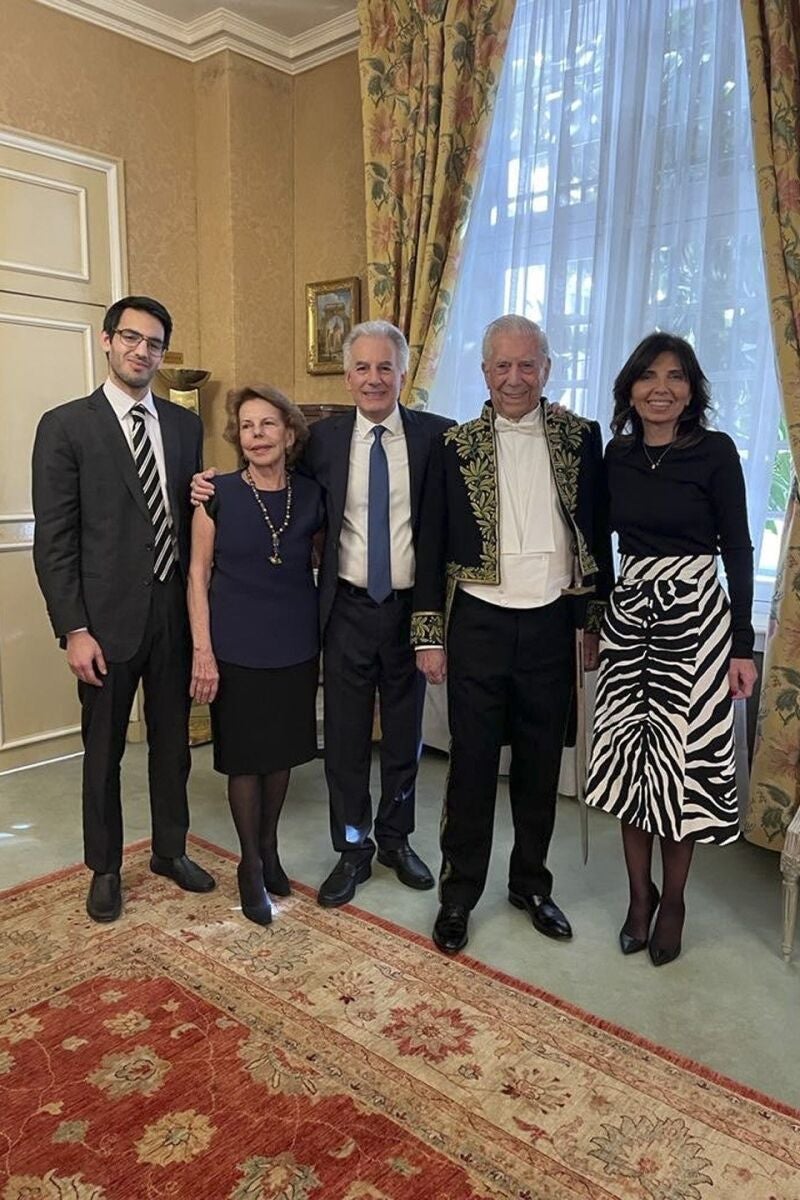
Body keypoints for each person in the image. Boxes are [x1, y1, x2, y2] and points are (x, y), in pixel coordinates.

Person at [192, 321, 453, 908]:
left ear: (403, 374)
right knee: (344, 737)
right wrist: (206, 486)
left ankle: (396, 839)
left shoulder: (439, 437)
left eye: (385, 367)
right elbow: (265, 479)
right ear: (347, 375)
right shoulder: (325, 442)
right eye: (361, 367)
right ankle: (353, 848)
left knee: (405, 737)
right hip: (344, 610)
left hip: (412, 610)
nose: (373, 378)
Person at [413, 314, 612, 956]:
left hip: (553, 621)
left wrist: (590, 619)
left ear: (547, 369)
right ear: (485, 371)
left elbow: (596, 532)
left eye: (528, 365)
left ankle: (530, 883)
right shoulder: (455, 445)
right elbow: (432, 542)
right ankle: (459, 892)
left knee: (537, 765)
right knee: (470, 765)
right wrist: (428, 634)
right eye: (503, 365)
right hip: (478, 621)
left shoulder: (582, 438)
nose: (515, 378)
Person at [32, 295, 216, 924]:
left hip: (171, 612)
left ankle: (170, 850)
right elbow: (54, 540)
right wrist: (74, 630)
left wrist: (202, 497)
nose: (144, 352)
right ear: (108, 342)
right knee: (104, 750)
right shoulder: (65, 426)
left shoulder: (185, 426)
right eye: (132, 339)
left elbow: (190, 520)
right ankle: (105, 868)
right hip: (104, 624)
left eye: (155, 344)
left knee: (174, 746)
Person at [584, 332, 758, 965]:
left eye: (676, 376)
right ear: (630, 387)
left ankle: (675, 901)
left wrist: (743, 646)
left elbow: (737, 548)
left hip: (698, 617)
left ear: (692, 389)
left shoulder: (715, 451)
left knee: (680, 769)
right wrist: (598, 613)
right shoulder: (618, 455)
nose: (662, 387)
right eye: (649, 375)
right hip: (631, 615)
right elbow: (595, 536)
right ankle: (639, 896)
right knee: (632, 765)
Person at [187, 386, 323, 926]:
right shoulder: (214, 492)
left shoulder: (313, 495)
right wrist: (203, 650)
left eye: (268, 424)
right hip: (234, 644)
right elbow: (197, 574)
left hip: (294, 641)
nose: (258, 435)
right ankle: (248, 863)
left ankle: (269, 849)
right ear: (237, 437)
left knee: (282, 753)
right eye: (247, 426)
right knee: (244, 757)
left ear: (289, 433)